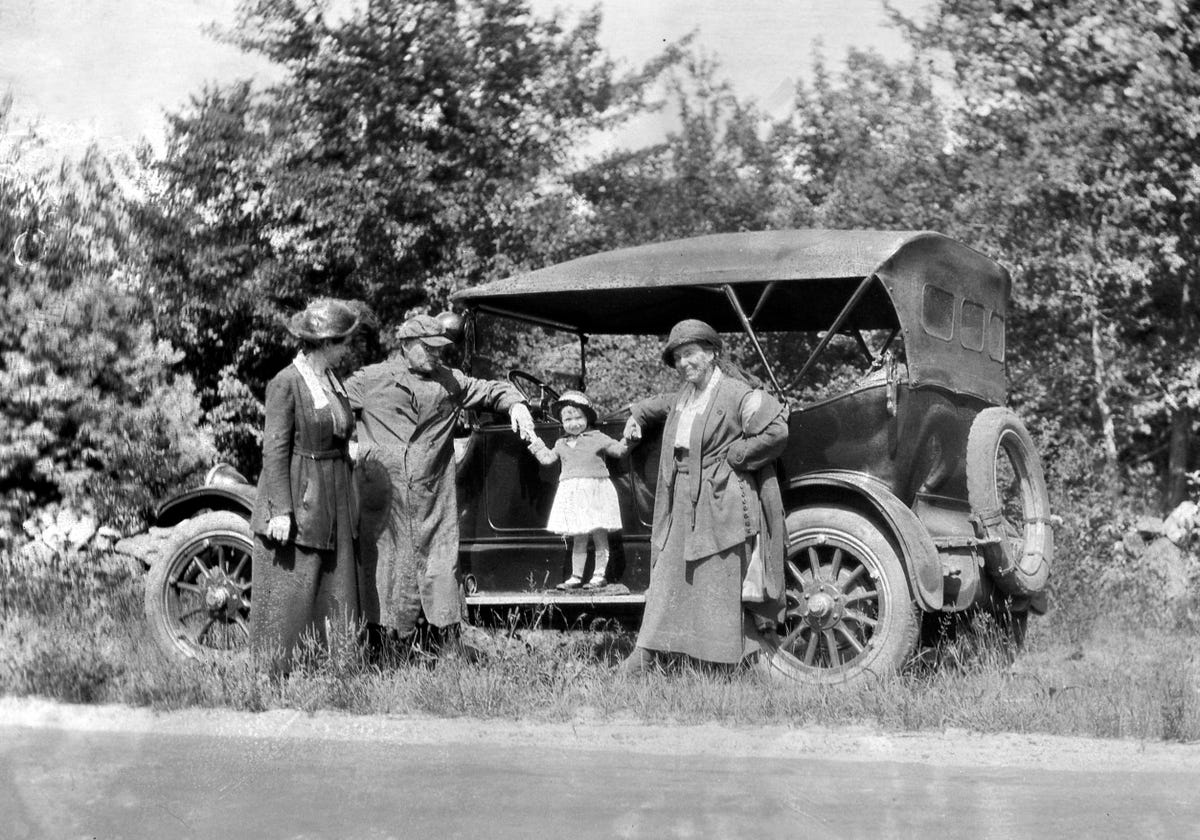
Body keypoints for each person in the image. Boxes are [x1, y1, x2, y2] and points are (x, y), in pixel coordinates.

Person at [345, 313, 536, 657]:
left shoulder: (450, 380)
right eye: (428, 348)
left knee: (438, 571)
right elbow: (332, 409)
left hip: (433, 497)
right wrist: (348, 447)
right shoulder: (370, 379)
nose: (436, 355)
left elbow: (492, 389)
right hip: (384, 502)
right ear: (406, 345)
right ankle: (382, 652)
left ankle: (441, 648)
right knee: (387, 574)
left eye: (440, 349)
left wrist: (518, 405)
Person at [620, 319, 789, 673]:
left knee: (717, 576)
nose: (684, 363)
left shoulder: (735, 393)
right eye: (678, 357)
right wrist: (636, 413)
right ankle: (647, 652)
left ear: (712, 353)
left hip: (721, 497)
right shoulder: (685, 395)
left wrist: (738, 456)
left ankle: (721, 661)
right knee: (667, 572)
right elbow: (660, 404)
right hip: (681, 497)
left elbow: (776, 430)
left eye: (690, 354)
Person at [248, 298, 364, 667]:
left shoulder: (330, 379)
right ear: (327, 344)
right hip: (302, 495)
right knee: (293, 586)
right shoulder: (286, 382)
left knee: (336, 583)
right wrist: (280, 510)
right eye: (343, 341)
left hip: (336, 494)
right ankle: (275, 670)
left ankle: (333, 667)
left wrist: (350, 444)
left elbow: (337, 425)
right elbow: (274, 449)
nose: (347, 349)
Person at [526, 391, 634, 590]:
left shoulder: (597, 437)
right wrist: (533, 440)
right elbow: (547, 459)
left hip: (595, 491)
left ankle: (599, 575)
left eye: (578, 418)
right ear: (562, 421)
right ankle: (576, 576)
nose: (574, 423)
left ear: (587, 418)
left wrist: (629, 437)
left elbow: (619, 451)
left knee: (599, 534)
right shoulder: (561, 443)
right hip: (573, 495)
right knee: (579, 537)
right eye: (568, 419)